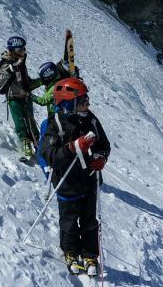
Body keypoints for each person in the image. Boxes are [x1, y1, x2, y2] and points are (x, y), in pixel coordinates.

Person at [39, 77, 111, 276]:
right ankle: (70, 252)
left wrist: (101, 157)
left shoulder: (90, 119)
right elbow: (50, 155)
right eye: (82, 100)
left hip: (89, 179)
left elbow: (103, 144)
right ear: (68, 103)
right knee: (69, 221)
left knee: (90, 220)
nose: (87, 103)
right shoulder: (54, 124)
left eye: (86, 99)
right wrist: (72, 147)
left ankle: (90, 254)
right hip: (67, 181)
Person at [0, 35, 41, 160]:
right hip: (14, 98)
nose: (24, 51)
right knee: (20, 123)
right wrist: (10, 70)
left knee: (31, 121)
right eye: (21, 49)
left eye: (24, 48)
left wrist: (41, 81)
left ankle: (37, 143)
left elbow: (25, 82)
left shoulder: (21, 62)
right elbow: (0, 80)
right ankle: (25, 144)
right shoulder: (7, 63)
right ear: (14, 50)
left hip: (25, 97)